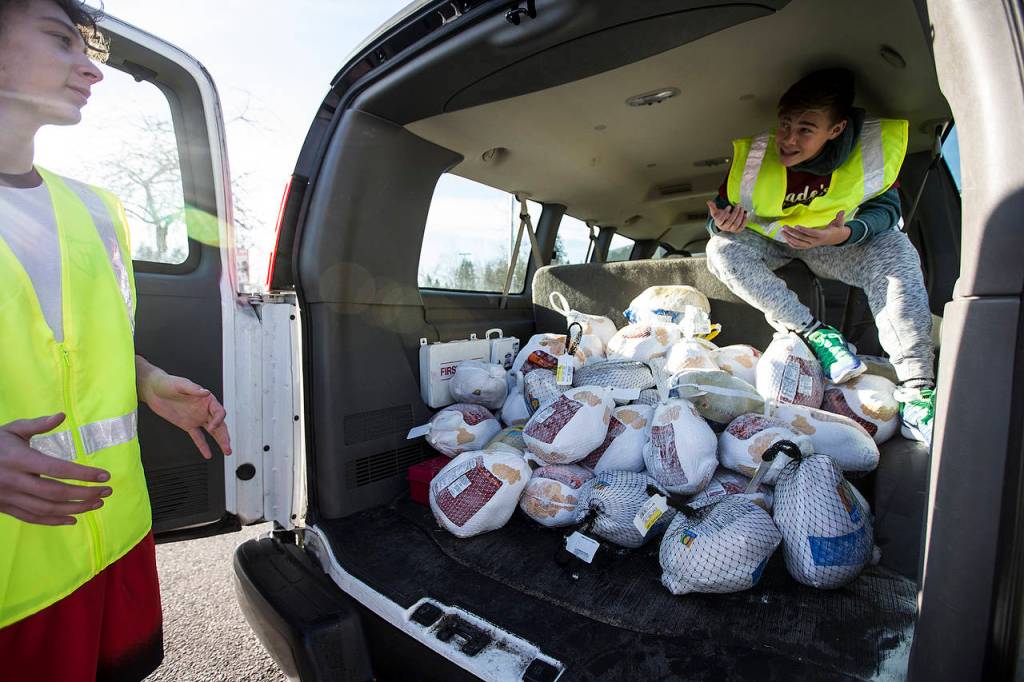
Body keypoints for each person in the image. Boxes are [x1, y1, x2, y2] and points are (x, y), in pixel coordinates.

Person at [0, 1, 233, 679]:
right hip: (16, 577)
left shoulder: (98, 211)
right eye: (58, 41)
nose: (91, 71)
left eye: (88, 50)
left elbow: (76, 347)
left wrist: (149, 380)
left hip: (118, 537)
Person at [704, 68, 936, 445]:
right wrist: (722, 225)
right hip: (775, 240)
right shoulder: (756, 158)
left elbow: (887, 211)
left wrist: (844, 234)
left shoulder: (869, 154)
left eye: (805, 129)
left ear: (836, 129)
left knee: (896, 247)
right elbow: (722, 213)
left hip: (834, 245)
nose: (788, 139)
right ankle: (815, 334)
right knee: (720, 249)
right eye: (785, 126)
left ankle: (917, 387)